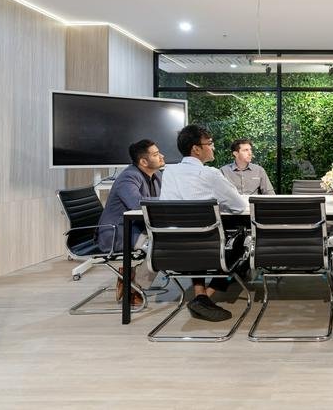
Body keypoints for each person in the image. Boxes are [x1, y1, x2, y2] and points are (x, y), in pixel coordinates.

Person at [159, 124, 247, 322]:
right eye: (210, 143)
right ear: (196, 149)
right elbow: (239, 206)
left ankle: (200, 295)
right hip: (209, 248)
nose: (213, 147)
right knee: (243, 245)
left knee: (194, 234)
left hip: (173, 247)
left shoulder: (169, 172)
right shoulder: (210, 174)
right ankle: (207, 295)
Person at [96, 139, 164, 305]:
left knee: (169, 238)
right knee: (162, 246)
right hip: (117, 233)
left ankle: (131, 275)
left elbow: (162, 200)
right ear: (143, 161)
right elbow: (138, 205)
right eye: (156, 154)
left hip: (137, 228)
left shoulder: (156, 175)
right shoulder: (128, 178)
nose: (162, 156)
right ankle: (135, 285)